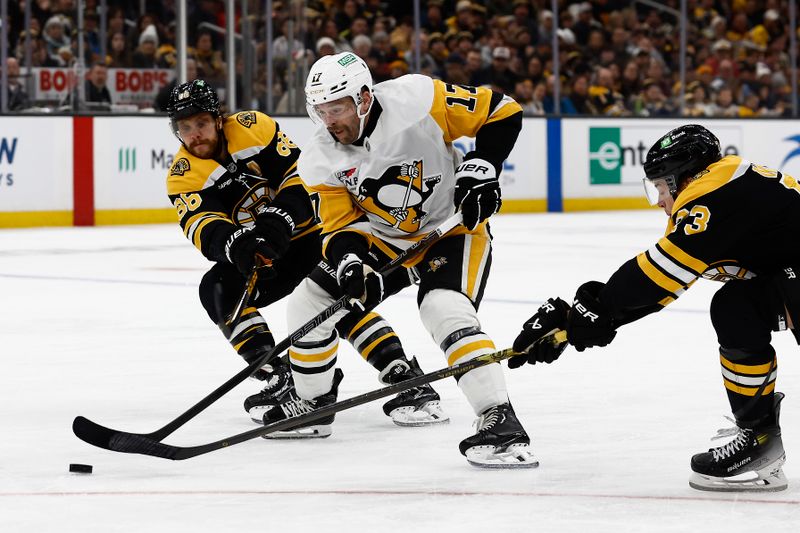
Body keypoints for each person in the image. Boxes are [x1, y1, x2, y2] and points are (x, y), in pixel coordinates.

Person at [279, 51, 535, 468]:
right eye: (321, 110)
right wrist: (352, 267)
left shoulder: (418, 99)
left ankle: (500, 420)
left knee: (443, 308)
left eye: (337, 108)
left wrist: (484, 164)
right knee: (310, 301)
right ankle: (314, 404)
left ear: (363, 98)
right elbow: (341, 228)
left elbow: (503, 110)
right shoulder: (319, 157)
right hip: (384, 237)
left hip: (451, 227)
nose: (330, 121)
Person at [511, 124, 797, 491]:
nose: (660, 199)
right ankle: (760, 441)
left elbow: (657, 276)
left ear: (684, 176)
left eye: (661, 187)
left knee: (754, 302)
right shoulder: (724, 186)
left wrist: (592, 311)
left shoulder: (712, 193)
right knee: (737, 308)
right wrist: (577, 322)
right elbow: (665, 285)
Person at [164, 79, 447, 437]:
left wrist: (278, 220)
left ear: (218, 119)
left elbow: (300, 176)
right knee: (217, 289)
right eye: (184, 128)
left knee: (334, 301)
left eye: (200, 123)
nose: (194, 135)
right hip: (264, 257)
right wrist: (240, 246)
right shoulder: (182, 176)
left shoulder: (253, 127)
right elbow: (204, 228)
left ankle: (402, 374)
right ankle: (280, 375)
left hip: (312, 237)